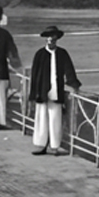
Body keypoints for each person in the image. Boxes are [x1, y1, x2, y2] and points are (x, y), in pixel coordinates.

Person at [27, 26, 80, 156]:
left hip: (56, 90)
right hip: (42, 90)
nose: (51, 40)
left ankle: (54, 145)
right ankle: (40, 144)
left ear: (57, 39)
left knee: (55, 118)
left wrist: (74, 85)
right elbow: (34, 75)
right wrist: (33, 94)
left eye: (54, 37)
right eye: (49, 37)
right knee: (41, 118)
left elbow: (69, 70)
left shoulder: (62, 53)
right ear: (46, 39)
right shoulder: (39, 54)